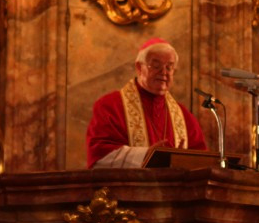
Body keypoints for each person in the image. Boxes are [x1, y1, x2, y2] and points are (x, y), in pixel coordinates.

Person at [86, 38, 207, 168]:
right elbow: (99, 155)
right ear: (139, 67)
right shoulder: (110, 106)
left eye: (169, 67)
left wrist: (182, 160)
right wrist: (147, 155)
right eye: (156, 66)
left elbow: (201, 161)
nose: (164, 72)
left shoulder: (184, 116)